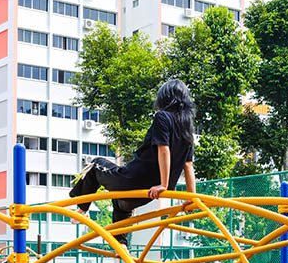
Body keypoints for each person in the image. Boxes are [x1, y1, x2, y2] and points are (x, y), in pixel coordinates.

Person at [68, 79, 197, 234]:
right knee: (120, 201)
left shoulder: (162, 117)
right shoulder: (186, 127)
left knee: (95, 164)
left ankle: (82, 208)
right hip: (147, 194)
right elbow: (188, 165)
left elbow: (164, 150)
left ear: (164, 98)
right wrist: (192, 196)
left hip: (136, 181)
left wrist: (163, 184)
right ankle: (121, 245)